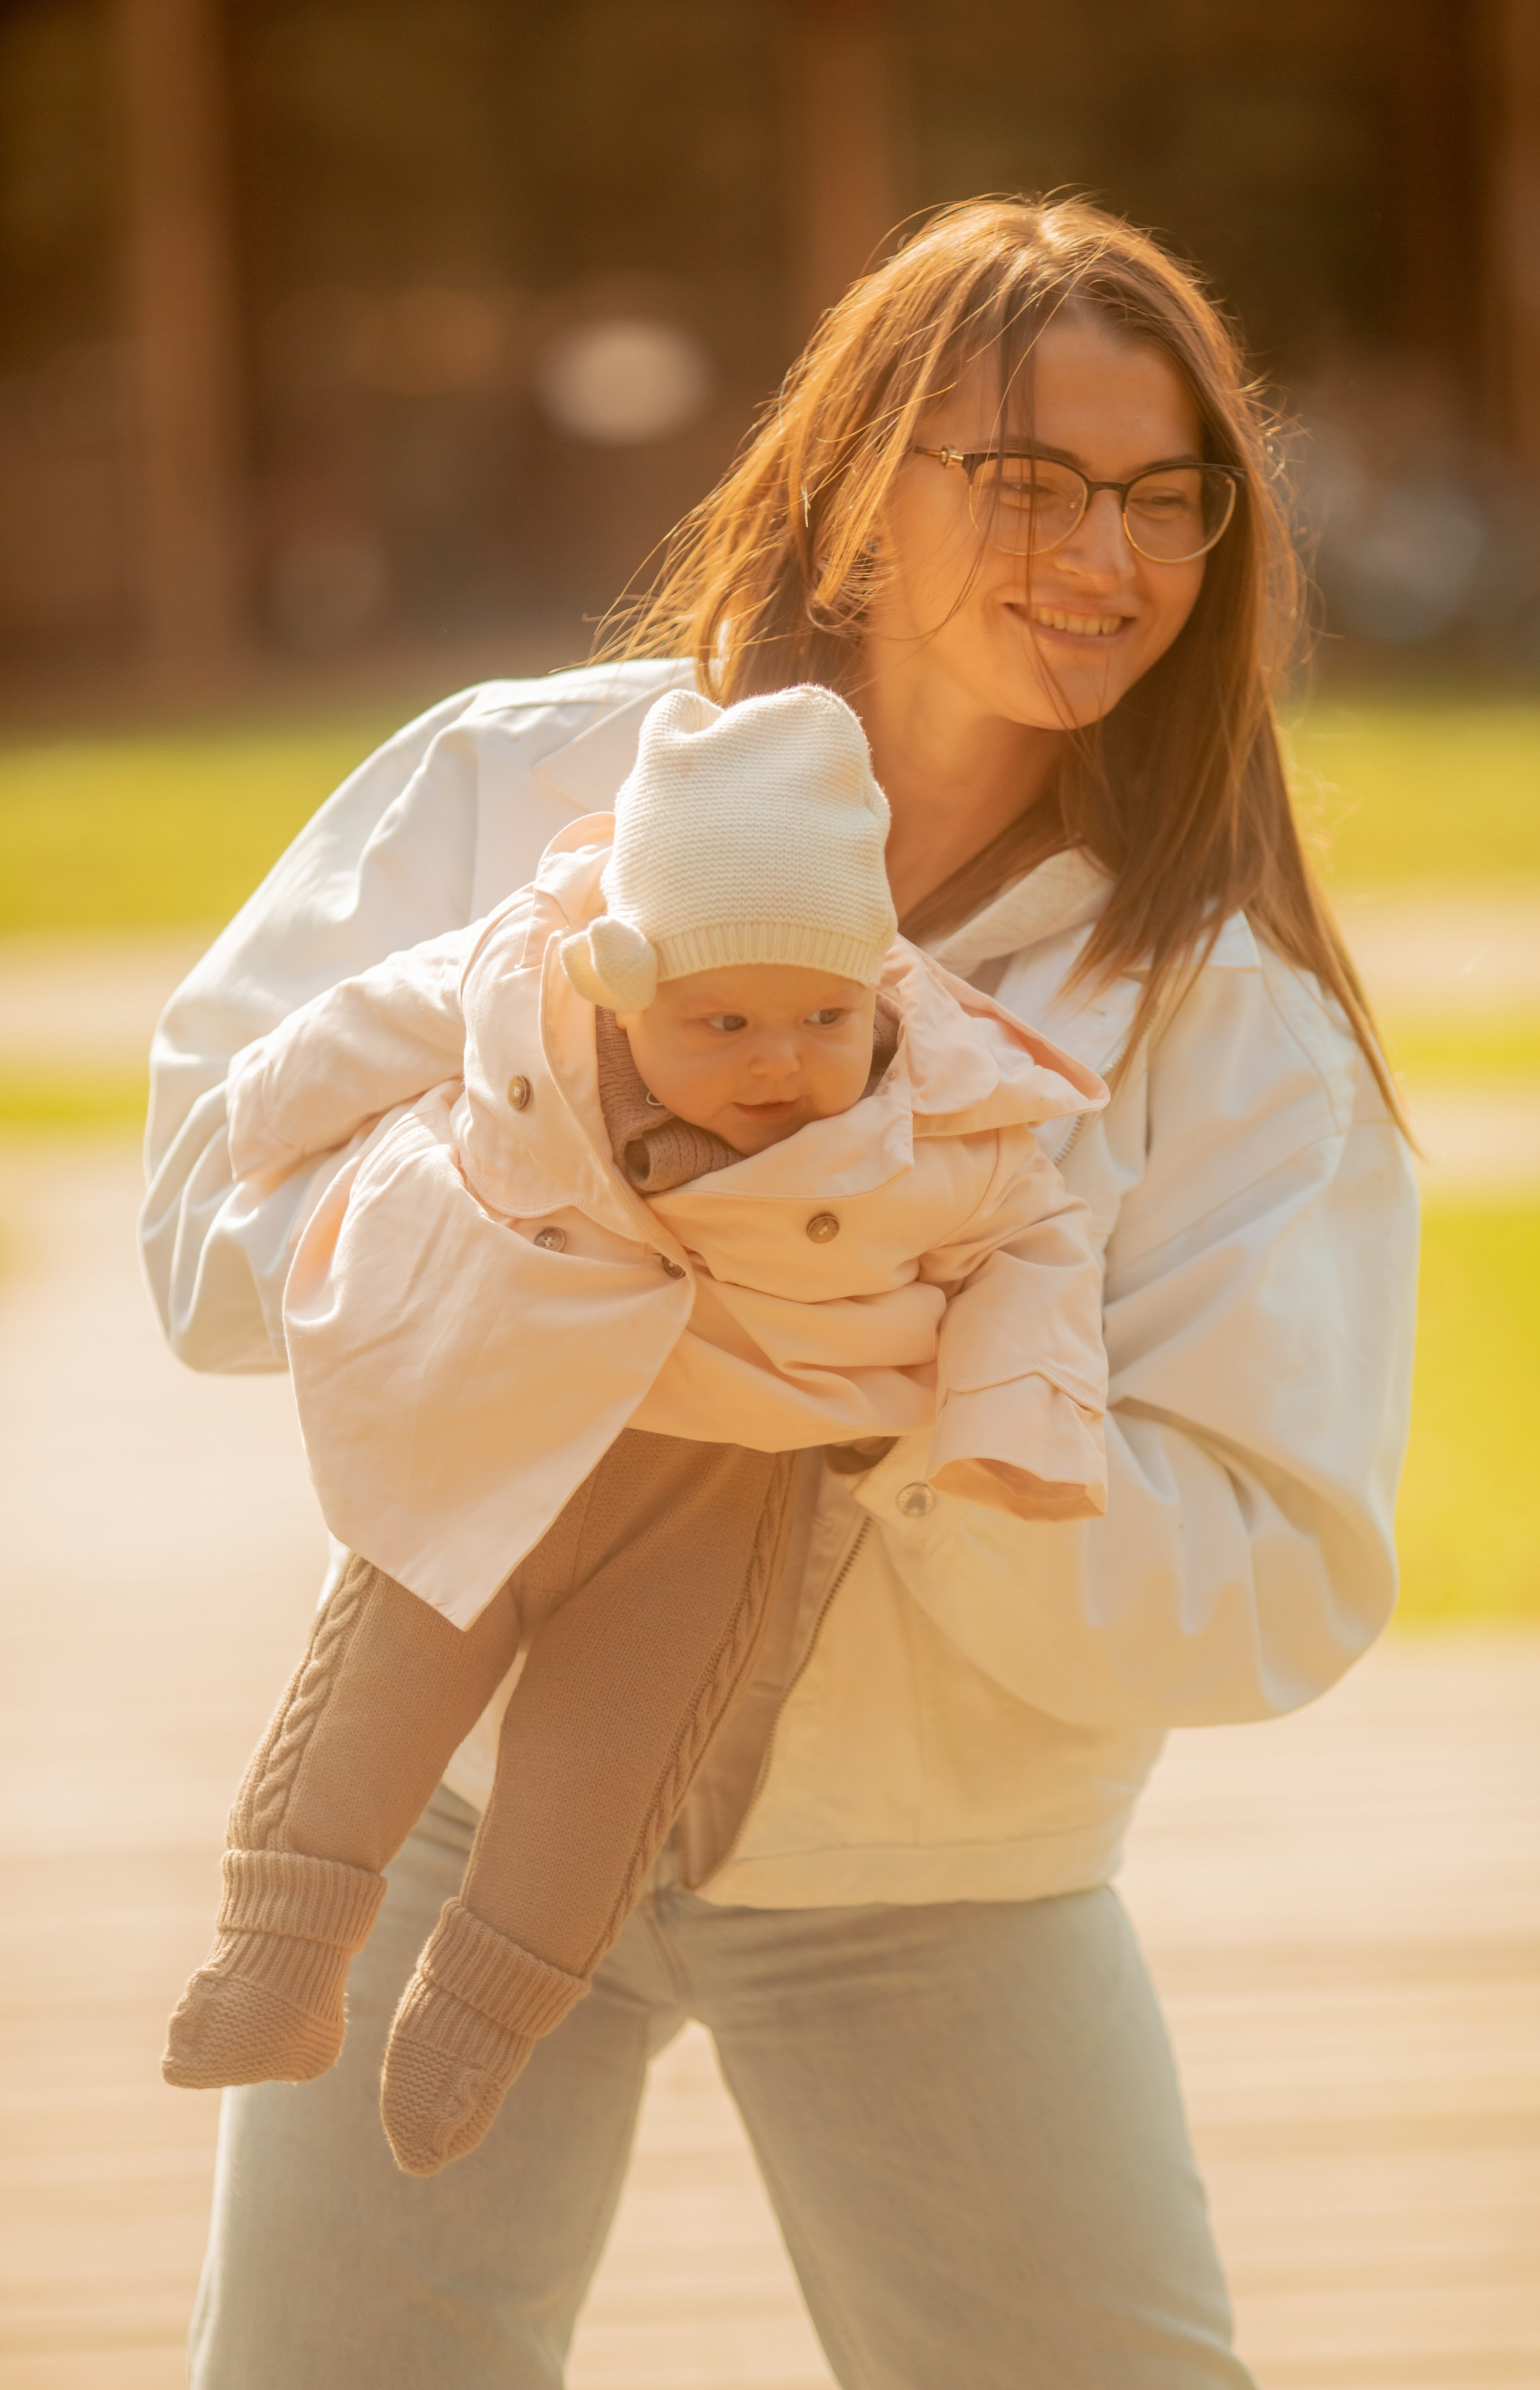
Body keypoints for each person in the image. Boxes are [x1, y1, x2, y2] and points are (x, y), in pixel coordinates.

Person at [143, 195, 1419, 2389]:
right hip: (446, 1831)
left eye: (1162, 498)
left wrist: (897, 1401)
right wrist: (583, 1283)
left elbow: (1275, 1579)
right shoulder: (511, 789)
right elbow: (204, 1223)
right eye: (1024, 480)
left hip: (943, 1893)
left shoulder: (1224, 1017)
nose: (1100, 554)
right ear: (849, 482)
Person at [160, 682, 1109, 2180]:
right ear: (622, 985)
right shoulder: (522, 990)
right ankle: (275, 1961)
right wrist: (258, 1131)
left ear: (878, 991)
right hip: (493, 1418)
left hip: (717, 1491)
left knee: (603, 1768)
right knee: (382, 1683)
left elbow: (1036, 1248)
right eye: (718, 1022)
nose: (775, 1062)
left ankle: (476, 2024)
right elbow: (356, 1029)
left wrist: (1010, 1427)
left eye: (820, 1018)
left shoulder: (936, 1116)